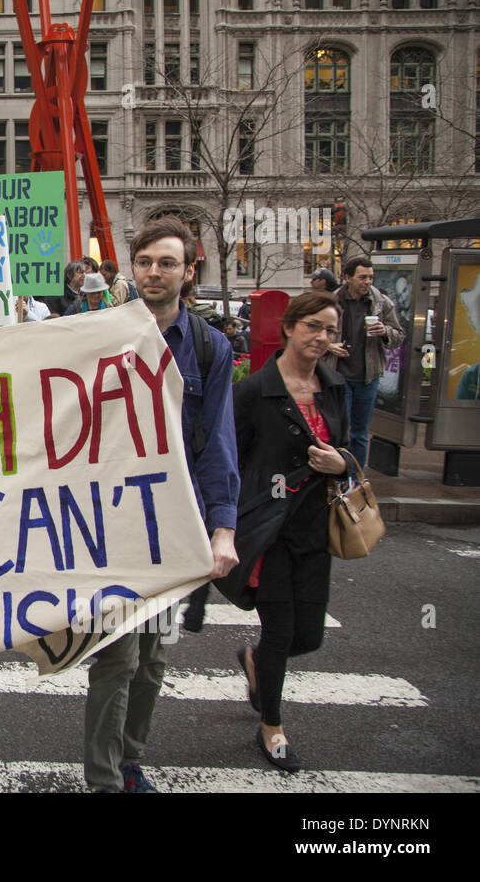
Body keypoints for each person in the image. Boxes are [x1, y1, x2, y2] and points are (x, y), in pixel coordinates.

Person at [81, 215, 239, 793]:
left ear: (188, 271)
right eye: (144, 262)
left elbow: (219, 441)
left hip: (174, 524)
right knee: (117, 658)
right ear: (132, 267)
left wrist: (223, 528)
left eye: (166, 262)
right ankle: (104, 780)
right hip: (114, 519)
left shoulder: (209, 346)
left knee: (152, 660)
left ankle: (129, 762)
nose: (153, 272)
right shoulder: (101, 333)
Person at [227, 291, 352, 772]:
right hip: (271, 530)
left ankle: (255, 662)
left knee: (308, 637)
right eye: (313, 327)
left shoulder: (335, 386)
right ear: (290, 327)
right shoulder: (255, 391)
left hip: (317, 528)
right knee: (280, 632)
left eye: (329, 330)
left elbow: (349, 449)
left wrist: (341, 462)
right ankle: (272, 727)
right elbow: (231, 460)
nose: (321, 338)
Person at [328, 256, 404, 466]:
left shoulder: (381, 303)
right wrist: (329, 346)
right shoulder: (332, 302)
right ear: (348, 278)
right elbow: (314, 333)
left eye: (371, 277)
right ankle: (337, 477)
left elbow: (398, 335)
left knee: (360, 433)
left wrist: (385, 331)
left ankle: (357, 478)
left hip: (367, 377)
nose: (368, 282)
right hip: (338, 375)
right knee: (340, 431)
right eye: (363, 277)